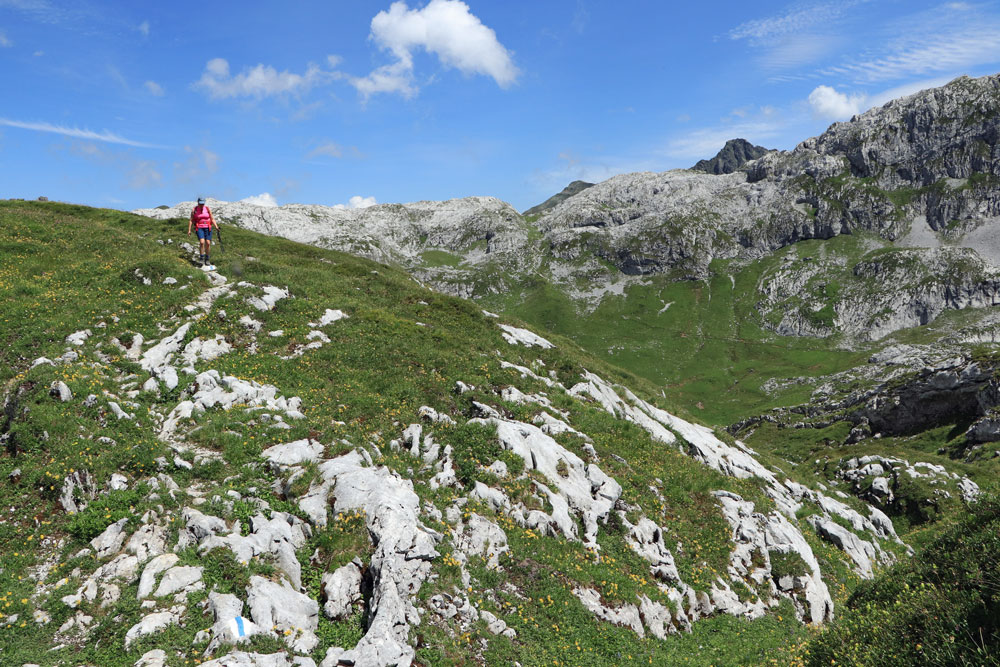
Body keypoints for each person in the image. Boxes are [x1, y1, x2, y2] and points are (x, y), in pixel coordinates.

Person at [187, 197, 220, 269]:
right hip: (199, 227)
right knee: (202, 242)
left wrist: (216, 226)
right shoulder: (194, 210)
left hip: (208, 227)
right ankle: (201, 258)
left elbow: (212, 218)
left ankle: (207, 258)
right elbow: (191, 220)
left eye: (203, 204)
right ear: (198, 203)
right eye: (200, 204)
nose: (202, 205)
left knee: (208, 243)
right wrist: (189, 230)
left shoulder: (207, 209)